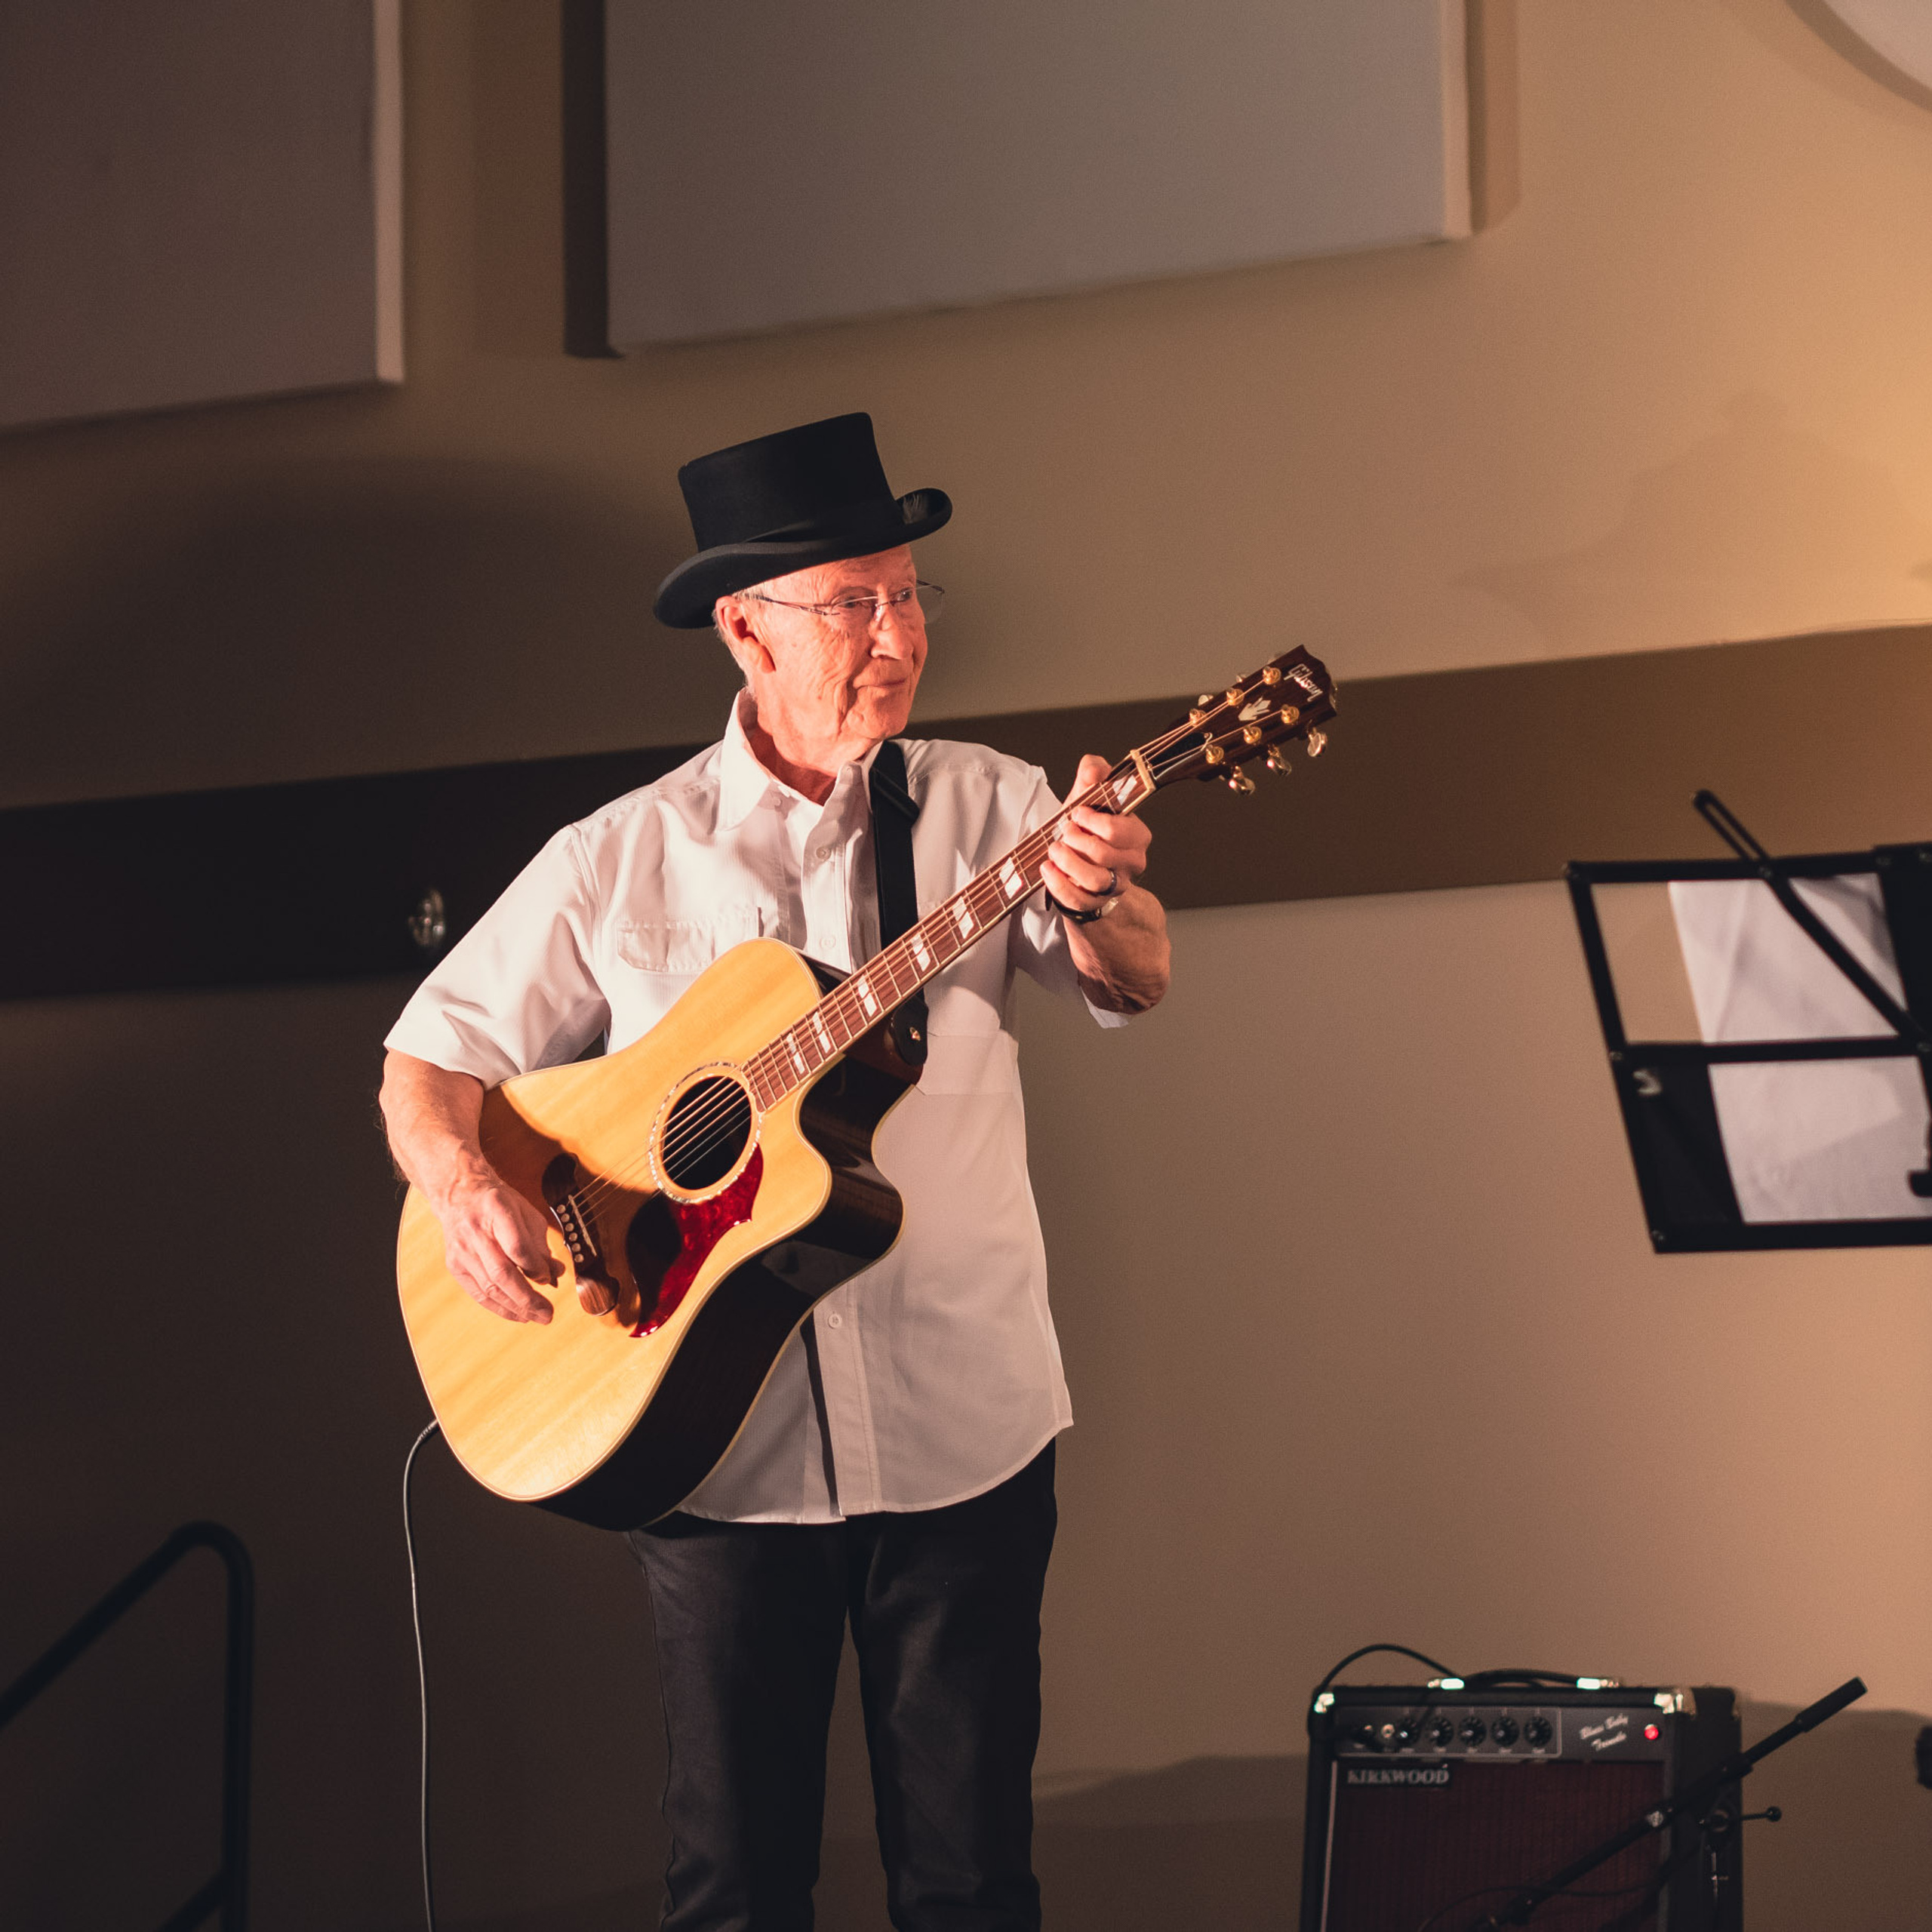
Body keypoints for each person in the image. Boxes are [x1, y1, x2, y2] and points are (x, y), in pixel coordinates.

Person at [379, 413, 1171, 1932]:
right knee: (733, 1884)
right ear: (744, 627)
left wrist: (1107, 891)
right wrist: (462, 1184)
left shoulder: (997, 808)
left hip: (965, 1423)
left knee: (969, 1878)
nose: (898, 633)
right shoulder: (618, 855)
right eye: (853, 601)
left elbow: (1127, 978)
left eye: (910, 593)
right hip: (709, 1437)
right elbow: (429, 1064)